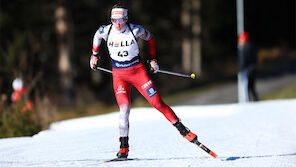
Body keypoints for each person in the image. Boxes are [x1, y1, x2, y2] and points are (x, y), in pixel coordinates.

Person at [90, 4, 198, 158]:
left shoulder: (135, 30)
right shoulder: (106, 30)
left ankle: (183, 130)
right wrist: (94, 55)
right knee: (124, 110)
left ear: (126, 18)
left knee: (157, 103)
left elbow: (151, 38)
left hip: (138, 72)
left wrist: (153, 59)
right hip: (119, 75)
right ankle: (123, 148)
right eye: (114, 20)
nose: (117, 23)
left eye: (120, 19)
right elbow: (97, 36)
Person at [238, 31, 259, 101]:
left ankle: (249, 103)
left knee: (246, 88)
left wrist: (241, 69)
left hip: (247, 70)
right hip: (253, 69)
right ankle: (256, 101)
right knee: (252, 87)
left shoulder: (244, 47)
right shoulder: (250, 45)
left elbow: (243, 60)